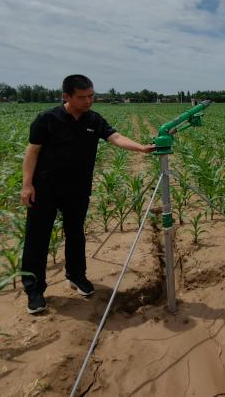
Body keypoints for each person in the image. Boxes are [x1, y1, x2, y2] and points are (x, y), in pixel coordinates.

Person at [20, 74, 154, 314]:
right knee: (37, 238)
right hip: (45, 188)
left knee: (75, 233)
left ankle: (76, 275)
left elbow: (115, 137)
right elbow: (32, 152)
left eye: (91, 96)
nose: (89, 101)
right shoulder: (47, 119)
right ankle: (34, 290)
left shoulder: (94, 119)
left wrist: (141, 148)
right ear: (67, 96)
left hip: (77, 188)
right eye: (82, 97)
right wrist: (27, 185)